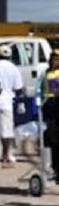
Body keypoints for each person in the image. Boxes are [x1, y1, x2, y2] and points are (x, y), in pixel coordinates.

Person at [0, 45, 24, 166]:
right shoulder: (14, 67)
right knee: (7, 130)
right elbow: (18, 88)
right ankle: (7, 155)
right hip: (7, 101)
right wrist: (20, 103)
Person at [43, 52, 59, 181]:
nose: (55, 61)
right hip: (50, 106)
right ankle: (55, 169)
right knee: (52, 140)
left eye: (57, 59)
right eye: (53, 58)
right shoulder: (46, 73)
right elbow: (41, 88)